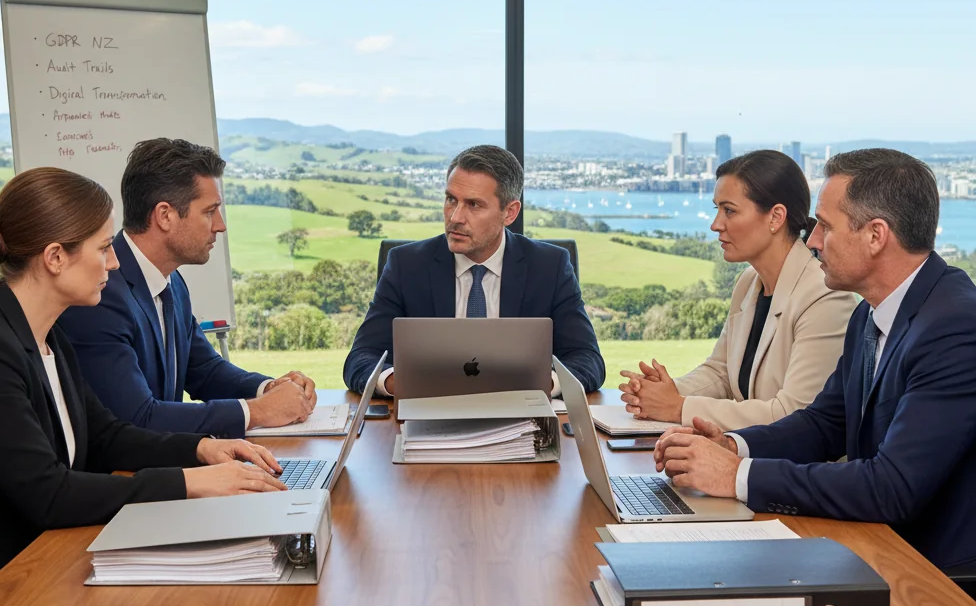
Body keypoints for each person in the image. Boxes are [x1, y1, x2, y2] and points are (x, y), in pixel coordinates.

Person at [0, 168, 288, 580]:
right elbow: (48, 493)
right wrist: (189, 483)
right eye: (104, 248)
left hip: (48, 556)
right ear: (55, 257)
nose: (114, 262)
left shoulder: (48, 335)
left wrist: (201, 449)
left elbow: (107, 436)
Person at [653, 148, 976, 573]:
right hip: (875, 547)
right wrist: (732, 446)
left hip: (936, 578)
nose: (813, 240)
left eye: (825, 225)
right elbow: (823, 424)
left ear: (876, 236)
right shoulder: (869, 312)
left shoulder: (954, 326)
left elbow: (892, 487)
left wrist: (736, 475)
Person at [59, 138, 316, 438]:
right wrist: (258, 411)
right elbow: (137, 417)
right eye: (209, 211)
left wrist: (269, 388)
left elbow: (203, 370)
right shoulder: (100, 295)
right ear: (165, 215)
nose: (219, 225)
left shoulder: (172, 282)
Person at [343, 144, 605, 395]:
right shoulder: (406, 265)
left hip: (521, 422)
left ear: (510, 212)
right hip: (428, 419)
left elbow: (587, 359)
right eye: (450, 200)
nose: (455, 217)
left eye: (474, 205)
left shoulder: (550, 267)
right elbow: (362, 357)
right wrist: (395, 382)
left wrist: (541, 385)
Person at [620, 150, 855, 430]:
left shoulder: (824, 297)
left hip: (796, 470)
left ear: (776, 217)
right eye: (716, 209)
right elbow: (720, 373)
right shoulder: (748, 282)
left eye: (729, 210)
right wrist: (661, 392)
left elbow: (794, 414)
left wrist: (678, 406)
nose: (716, 224)